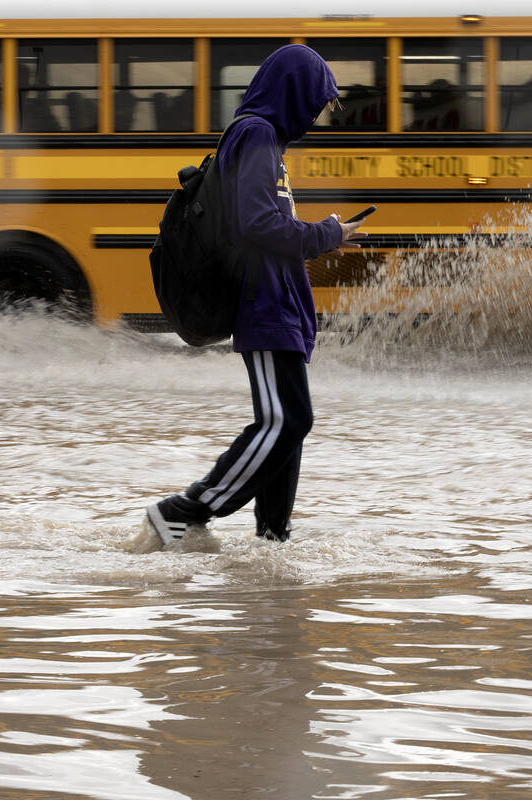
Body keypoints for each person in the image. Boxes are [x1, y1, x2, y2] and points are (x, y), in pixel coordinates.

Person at [132, 44, 368, 553]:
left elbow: (269, 224)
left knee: (290, 425)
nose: (316, 115)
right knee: (286, 420)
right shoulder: (255, 133)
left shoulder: (268, 142)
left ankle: (272, 540)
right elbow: (256, 226)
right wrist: (326, 233)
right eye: (316, 101)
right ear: (294, 92)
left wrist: (323, 238)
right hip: (263, 303)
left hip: (282, 305)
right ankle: (182, 512)